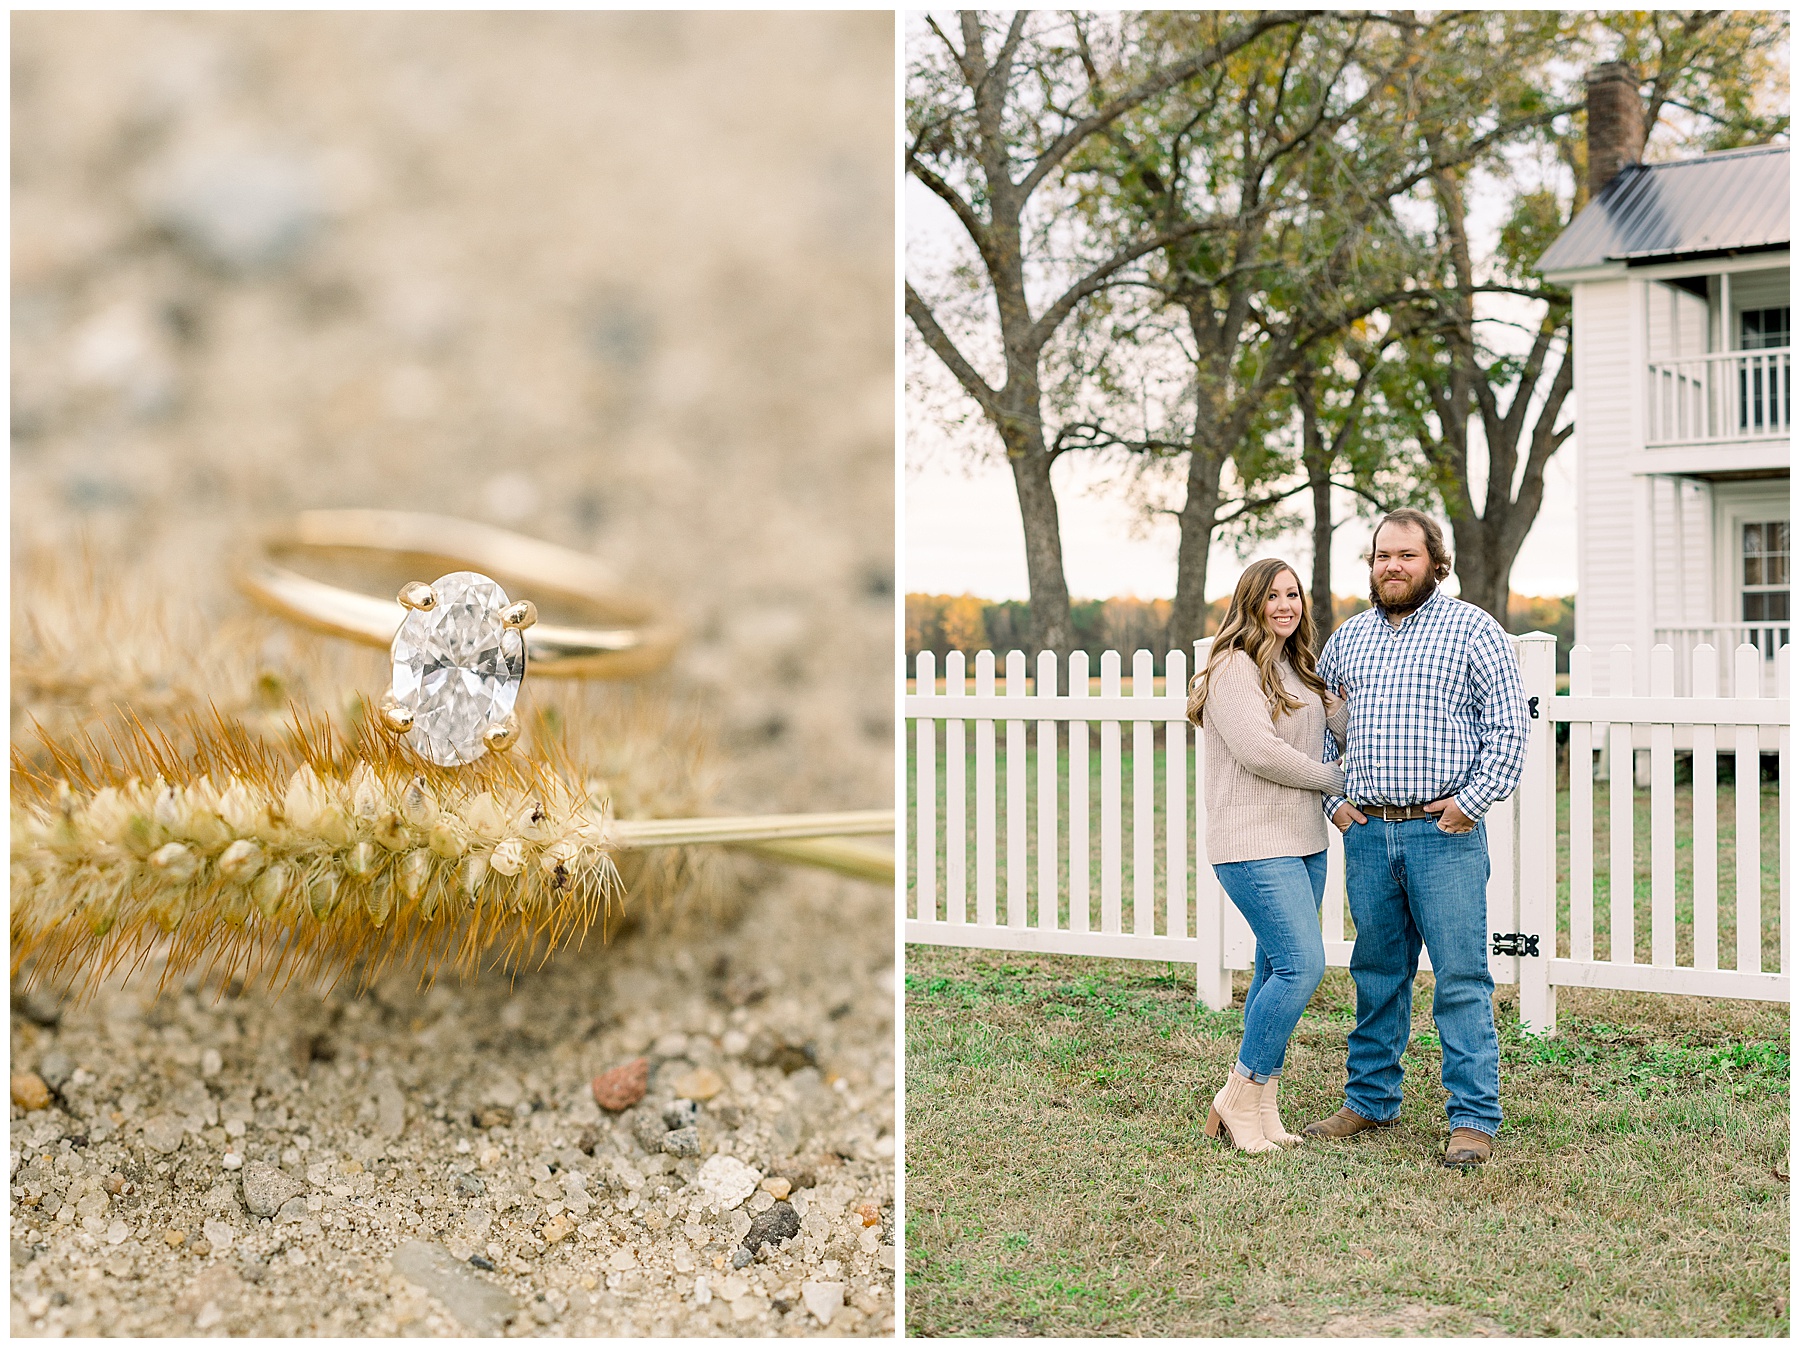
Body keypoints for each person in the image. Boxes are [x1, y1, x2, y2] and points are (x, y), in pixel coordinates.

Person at [1306, 508, 1528, 1168]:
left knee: (1460, 978)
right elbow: (1318, 726)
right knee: (1376, 973)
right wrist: (1336, 802)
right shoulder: (1349, 640)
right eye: (1381, 556)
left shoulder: (1473, 632)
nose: (1391, 567)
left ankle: (1473, 1119)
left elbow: (1509, 732)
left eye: (1405, 555)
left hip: (1444, 835)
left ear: (1437, 562)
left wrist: (1469, 804)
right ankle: (1370, 1100)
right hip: (1370, 832)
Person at [1187, 557, 1348, 1153]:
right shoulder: (1232, 667)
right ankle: (1238, 1090)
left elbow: (1343, 737)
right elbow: (1258, 752)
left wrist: (1337, 710)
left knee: (1271, 970)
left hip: (1305, 841)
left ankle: (1261, 1110)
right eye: (1272, 596)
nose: (1285, 606)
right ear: (1250, 603)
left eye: (1293, 595)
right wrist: (1333, 779)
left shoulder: (1298, 666)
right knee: (1302, 967)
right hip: (1253, 844)